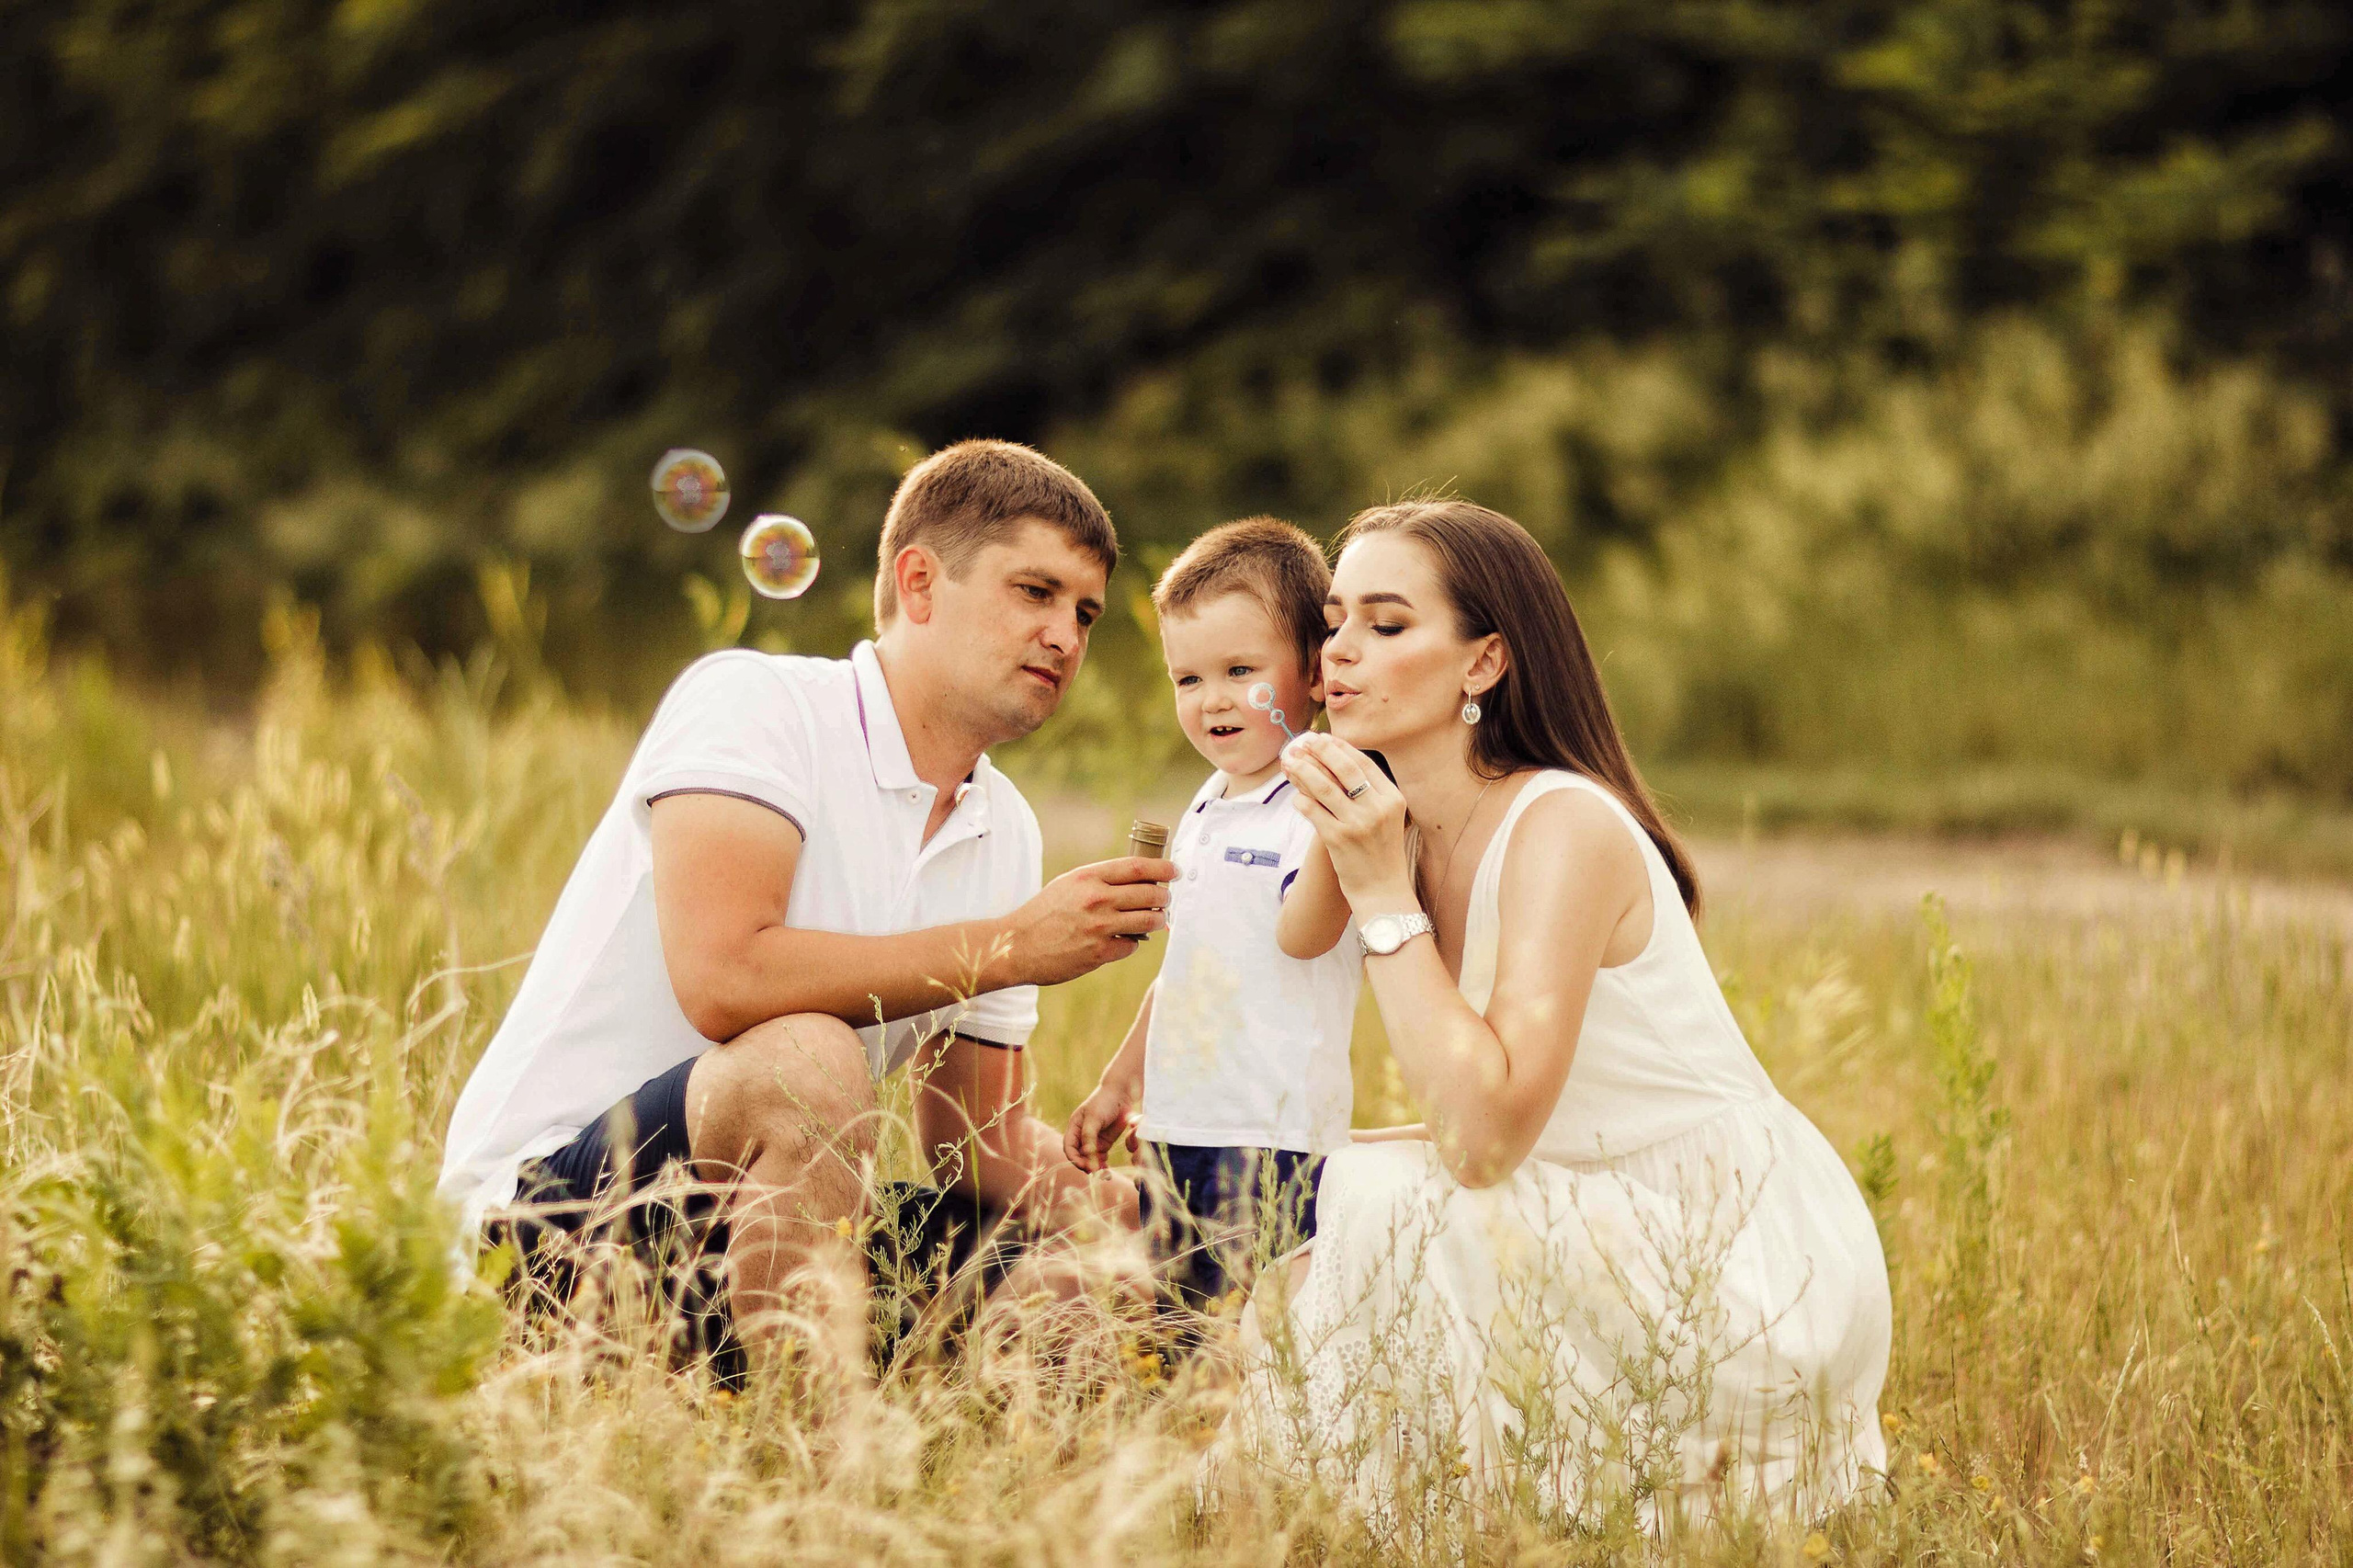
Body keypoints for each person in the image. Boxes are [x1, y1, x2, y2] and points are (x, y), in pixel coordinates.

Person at [437, 439, 1174, 1384]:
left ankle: (821, 1423)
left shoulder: (1008, 830)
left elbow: (974, 1150)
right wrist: (1012, 945)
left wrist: (1144, 1201)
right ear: (918, 582)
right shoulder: (758, 701)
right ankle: (815, 1465)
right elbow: (726, 978)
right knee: (808, 1057)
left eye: (1085, 613)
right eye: (1034, 592)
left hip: (773, 1236)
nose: (1066, 636)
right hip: (545, 1227)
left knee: (1087, 1279)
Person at [1235, 499, 1891, 1520]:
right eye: (1333, 621)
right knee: (1335, 1205)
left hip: (1729, 1250)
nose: (1338, 655)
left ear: (1484, 662)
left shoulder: (1564, 824)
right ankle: (1359, 1519)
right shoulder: (1397, 822)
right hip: (1583, 1196)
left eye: (1388, 623)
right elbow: (1496, 1127)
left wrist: (1381, 901)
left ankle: (1440, 1519)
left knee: (1374, 1197)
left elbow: (1483, 1141)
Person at [1063, 518, 1360, 1307]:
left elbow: (1309, 935)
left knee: (1249, 1331)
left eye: (1239, 669)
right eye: (1188, 679)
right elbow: (1186, 968)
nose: (1213, 701)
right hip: (1178, 1124)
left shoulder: (1317, 803)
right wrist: (1118, 1086)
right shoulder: (1209, 801)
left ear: (1318, 676)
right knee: (1175, 1324)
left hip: (1271, 1134)